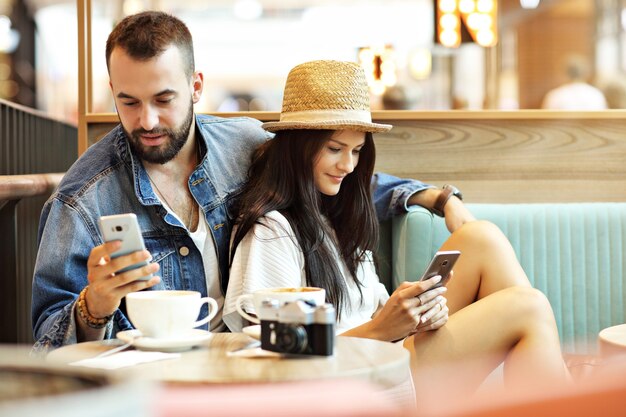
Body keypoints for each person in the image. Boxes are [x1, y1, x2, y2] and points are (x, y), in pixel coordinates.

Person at [30, 11, 441, 352]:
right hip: (157, 382)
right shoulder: (82, 199)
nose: (147, 121)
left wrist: (430, 196)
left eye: (163, 99)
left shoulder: (241, 144)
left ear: (195, 88)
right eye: (129, 102)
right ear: (112, 92)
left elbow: (323, 173)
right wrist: (94, 306)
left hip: (246, 364)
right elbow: (46, 347)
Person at [224, 60, 571, 396]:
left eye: (357, 150)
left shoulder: (337, 214)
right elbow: (282, 363)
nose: (348, 165)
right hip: (353, 384)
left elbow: (370, 312)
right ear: (298, 148)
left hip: (384, 355)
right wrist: (381, 328)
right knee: (529, 307)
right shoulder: (271, 231)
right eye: (334, 148)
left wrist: (417, 315)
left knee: (482, 237)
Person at [541, 54, 607, 110]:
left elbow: (545, 122)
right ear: (586, 72)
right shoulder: (596, 95)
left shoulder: (555, 96)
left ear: (564, 73)